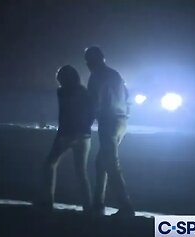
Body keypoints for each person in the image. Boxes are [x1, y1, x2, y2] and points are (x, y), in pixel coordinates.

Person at [85, 46, 135, 217]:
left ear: (91, 61)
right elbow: (128, 97)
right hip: (121, 121)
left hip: (108, 122)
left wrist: (86, 123)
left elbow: (94, 104)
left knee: (111, 163)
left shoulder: (95, 76)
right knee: (101, 162)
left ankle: (125, 205)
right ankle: (98, 202)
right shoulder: (115, 74)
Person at [38, 65, 93, 212]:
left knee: (50, 164)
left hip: (67, 134)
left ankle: (47, 200)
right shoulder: (85, 92)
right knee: (81, 171)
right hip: (85, 134)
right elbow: (91, 113)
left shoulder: (62, 92)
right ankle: (88, 205)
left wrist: (61, 133)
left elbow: (64, 115)